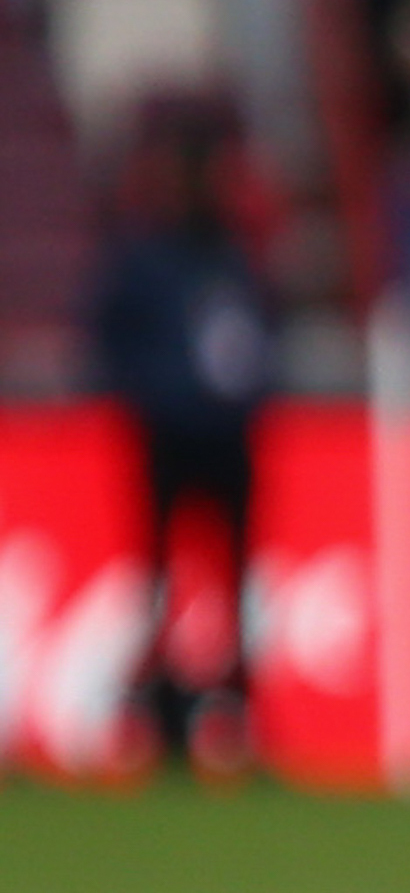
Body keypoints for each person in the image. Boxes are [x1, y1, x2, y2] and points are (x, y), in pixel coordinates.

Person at [83, 107, 276, 776]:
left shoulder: (230, 254)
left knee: (237, 578)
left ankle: (241, 708)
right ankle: (161, 708)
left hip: (228, 439)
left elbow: (258, 341)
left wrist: (249, 399)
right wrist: (157, 397)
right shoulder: (148, 259)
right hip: (168, 437)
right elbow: (110, 345)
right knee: (162, 578)